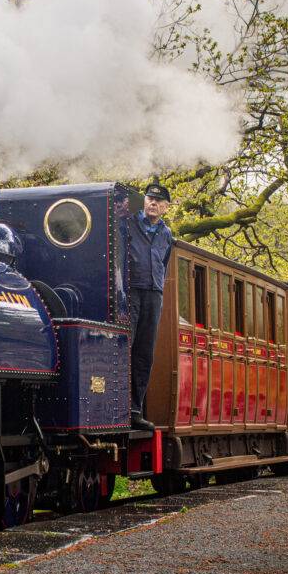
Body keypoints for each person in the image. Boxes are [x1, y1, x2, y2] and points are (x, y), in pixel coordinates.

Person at [126, 182, 173, 431]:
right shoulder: (129, 224)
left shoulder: (167, 234)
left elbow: (164, 263)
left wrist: (158, 286)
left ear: (166, 207)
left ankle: (135, 409)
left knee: (145, 353)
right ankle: (119, 405)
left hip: (154, 293)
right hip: (132, 290)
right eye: (149, 199)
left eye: (158, 201)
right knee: (127, 345)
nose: (153, 203)